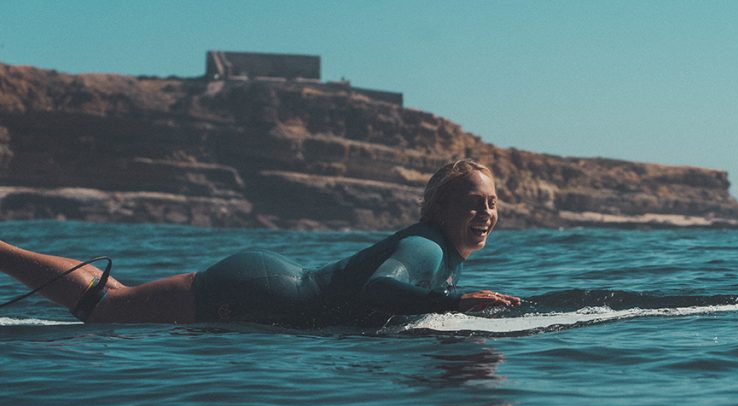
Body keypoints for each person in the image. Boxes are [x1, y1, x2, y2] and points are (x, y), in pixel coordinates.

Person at [0, 159, 521, 326]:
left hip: (270, 287)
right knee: (105, 310)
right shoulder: (428, 248)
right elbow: (382, 290)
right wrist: (453, 303)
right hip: (259, 290)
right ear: (440, 209)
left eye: (493, 203)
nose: (486, 213)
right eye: (474, 203)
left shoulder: (444, 255)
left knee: (115, 297)